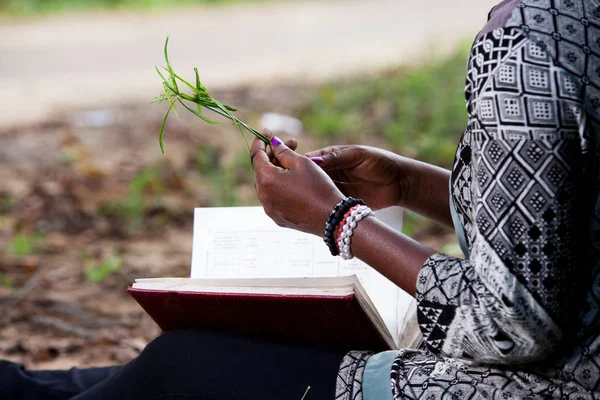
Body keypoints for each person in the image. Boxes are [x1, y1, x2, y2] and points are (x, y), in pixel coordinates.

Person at [3, 0, 600, 398]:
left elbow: (515, 325)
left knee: (185, 367)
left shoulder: (529, 51)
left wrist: (339, 222)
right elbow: (569, 227)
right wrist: (411, 186)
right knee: (136, 376)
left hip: (560, 382)